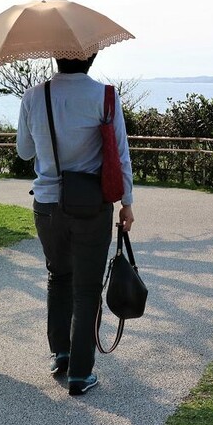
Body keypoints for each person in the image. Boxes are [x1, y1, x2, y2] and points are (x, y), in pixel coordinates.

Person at [16, 54, 134, 396]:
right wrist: (127, 202)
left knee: (58, 276)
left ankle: (61, 354)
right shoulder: (106, 97)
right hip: (91, 205)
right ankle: (80, 375)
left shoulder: (34, 96)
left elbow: (24, 151)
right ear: (92, 55)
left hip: (48, 203)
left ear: (56, 56)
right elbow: (121, 154)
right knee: (86, 290)